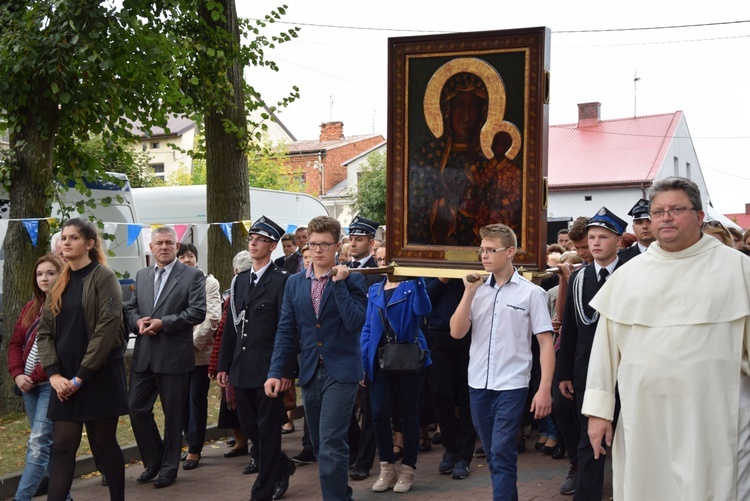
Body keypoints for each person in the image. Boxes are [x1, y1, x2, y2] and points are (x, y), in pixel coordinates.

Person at [584, 177, 750, 500]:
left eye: (676, 209)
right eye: (658, 212)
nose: (665, 217)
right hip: (646, 418)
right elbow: (604, 351)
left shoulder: (739, 270)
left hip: (714, 416)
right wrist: (599, 413)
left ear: (700, 217)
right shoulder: (628, 276)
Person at [265, 215, 367, 501]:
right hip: (309, 371)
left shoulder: (354, 280)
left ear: (337, 246)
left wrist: (339, 284)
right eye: (313, 244)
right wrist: (275, 371)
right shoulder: (295, 283)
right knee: (322, 445)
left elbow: (356, 323)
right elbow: (285, 330)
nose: (318, 250)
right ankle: (341, 494)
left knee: (332, 441)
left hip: (342, 370)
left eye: (325, 244)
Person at [450, 223, 554, 500]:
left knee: (501, 451)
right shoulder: (477, 289)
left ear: (510, 252)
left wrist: (544, 388)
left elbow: (546, 343)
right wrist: (469, 292)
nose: (484, 256)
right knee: (494, 453)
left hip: (512, 384)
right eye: (481, 250)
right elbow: (457, 332)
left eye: (490, 250)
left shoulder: (532, 293)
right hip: (478, 384)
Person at [37, 218, 129, 501]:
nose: (66, 242)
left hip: (98, 374)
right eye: (64, 237)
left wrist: (82, 376)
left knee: (103, 442)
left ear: (89, 243)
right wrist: (54, 375)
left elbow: (109, 324)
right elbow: (45, 332)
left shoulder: (104, 277)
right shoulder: (59, 280)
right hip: (64, 379)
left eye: (73, 237)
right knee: (63, 445)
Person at [218, 216, 297, 500]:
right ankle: (283, 465)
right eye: (251, 238)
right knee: (252, 429)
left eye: (260, 239)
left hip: (269, 370)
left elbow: (289, 329)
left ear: (273, 246)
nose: (253, 243)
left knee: (268, 430)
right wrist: (224, 365)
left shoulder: (283, 282)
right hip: (242, 368)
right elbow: (231, 326)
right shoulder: (240, 280)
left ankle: (261, 491)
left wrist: (286, 370)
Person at [125, 226, 206, 489]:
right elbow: (131, 308)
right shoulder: (143, 274)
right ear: (151, 248)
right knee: (136, 408)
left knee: (173, 415)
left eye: (169, 243)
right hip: (144, 356)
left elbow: (197, 312)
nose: (164, 247)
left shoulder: (192, 276)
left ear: (177, 246)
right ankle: (154, 459)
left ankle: (170, 467)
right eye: (159, 243)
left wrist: (164, 323)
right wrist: (137, 321)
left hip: (173, 356)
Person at [556, 207, 628, 500]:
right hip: (587, 372)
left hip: (626, 370)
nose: (596, 243)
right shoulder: (579, 278)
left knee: (628, 439)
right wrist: (564, 374)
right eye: (592, 237)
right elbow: (570, 330)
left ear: (618, 242)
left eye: (603, 237)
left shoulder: (631, 274)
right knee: (590, 442)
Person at [408, 67, 522, 247]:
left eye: (474, 106)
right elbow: (417, 207)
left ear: (484, 111)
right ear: (447, 109)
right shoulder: (428, 154)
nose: (466, 117)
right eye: (459, 106)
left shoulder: (488, 158)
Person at [360, 245, 432, 493]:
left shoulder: (412, 286)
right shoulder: (374, 289)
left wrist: (417, 279)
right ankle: (387, 468)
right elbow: (368, 329)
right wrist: (364, 363)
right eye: (380, 259)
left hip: (409, 357)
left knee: (408, 414)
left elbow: (423, 311)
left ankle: (408, 470)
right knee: (378, 413)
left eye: (387, 259)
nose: (384, 264)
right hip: (379, 359)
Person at [8, 253, 64, 501]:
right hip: (28, 386)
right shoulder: (31, 307)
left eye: (50, 273)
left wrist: (35, 374)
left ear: (61, 274)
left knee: (39, 444)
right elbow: (15, 343)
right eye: (40, 274)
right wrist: (18, 374)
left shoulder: (65, 307)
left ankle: (22, 498)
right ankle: (65, 495)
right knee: (45, 445)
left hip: (50, 384)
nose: (44, 278)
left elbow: (64, 349)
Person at [426, 275, 477, 480]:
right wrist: (442, 278)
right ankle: (450, 447)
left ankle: (464, 456)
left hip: (472, 334)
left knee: (468, 395)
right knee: (439, 393)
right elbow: (425, 298)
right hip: (439, 333)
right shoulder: (433, 263)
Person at [175, 243, 221, 470]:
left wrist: (191, 344)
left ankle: (195, 448)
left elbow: (212, 318)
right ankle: (187, 441)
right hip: (174, 356)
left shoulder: (208, 283)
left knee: (195, 399)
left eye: (190, 256)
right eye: (182, 256)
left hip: (198, 353)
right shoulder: (173, 283)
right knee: (180, 401)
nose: (186, 260)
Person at [208, 250, 253, 459]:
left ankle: (256, 447)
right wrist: (219, 365)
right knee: (232, 405)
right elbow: (223, 334)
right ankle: (241, 442)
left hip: (251, 360)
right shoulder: (230, 295)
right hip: (233, 359)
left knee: (250, 408)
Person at [346, 215, 382, 482]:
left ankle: (364, 461)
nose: (353, 243)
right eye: (351, 238)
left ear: (371, 242)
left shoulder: (377, 272)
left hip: (369, 346)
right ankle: (353, 449)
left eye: (359, 239)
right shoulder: (344, 268)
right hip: (345, 347)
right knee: (345, 406)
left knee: (370, 409)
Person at [618, 198, 655, 263]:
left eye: (649, 221)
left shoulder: (670, 253)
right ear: (633, 227)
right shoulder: (620, 258)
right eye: (639, 222)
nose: (644, 226)